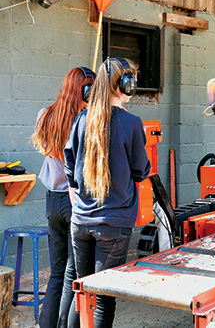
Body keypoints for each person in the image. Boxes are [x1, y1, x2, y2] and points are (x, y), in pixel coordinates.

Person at [64, 58, 151, 327]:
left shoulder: (81, 119)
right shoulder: (132, 123)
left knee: (83, 293)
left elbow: (70, 171)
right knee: (103, 299)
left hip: (81, 222)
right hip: (114, 225)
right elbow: (141, 170)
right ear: (125, 85)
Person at [32, 66, 95, 328]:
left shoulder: (44, 115)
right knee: (76, 274)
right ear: (83, 89)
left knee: (58, 272)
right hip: (75, 202)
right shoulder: (83, 121)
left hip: (52, 203)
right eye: (90, 88)